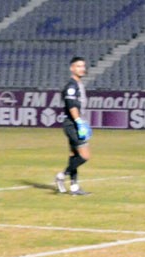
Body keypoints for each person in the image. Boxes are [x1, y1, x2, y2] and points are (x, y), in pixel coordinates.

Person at [55, 56, 91, 196]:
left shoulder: (78, 83)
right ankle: (61, 176)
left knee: (74, 155)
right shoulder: (71, 85)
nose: (82, 68)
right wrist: (78, 122)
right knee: (84, 156)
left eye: (83, 66)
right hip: (72, 124)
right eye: (78, 66)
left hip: (74, 122)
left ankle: (74, 187)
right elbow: (71, 105)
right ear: (72, 68)